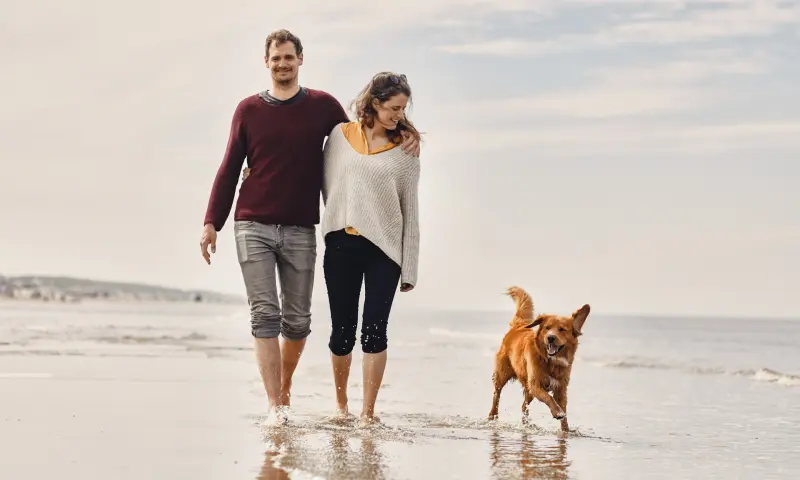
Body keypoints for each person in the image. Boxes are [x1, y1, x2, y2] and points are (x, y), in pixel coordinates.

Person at [199, 29, 420, 424]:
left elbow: (363, 139)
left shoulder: (324, 110)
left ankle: (286, 391)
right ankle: (277, 406)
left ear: (301, 58)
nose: (282, 63)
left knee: (298, 322)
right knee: (264, 314)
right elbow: (231, 166)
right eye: (275, 58)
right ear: (266, 62)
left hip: (302, 226)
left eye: (289, 56)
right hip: (253, 223)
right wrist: (211, 221)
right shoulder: (248, 110)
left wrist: (407, 132)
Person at [319, 72, 422, 425]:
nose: (398, 114)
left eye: (403, 109)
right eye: (394, 107)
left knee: (375, 331)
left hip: (385, 253)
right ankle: (341, 407)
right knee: (341, 331)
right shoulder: (339, 137)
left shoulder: (406, 152)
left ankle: (367, 413)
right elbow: (321, 183)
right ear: (375, 104)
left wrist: (409, 269)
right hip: (341, 245)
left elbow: (411, 211)